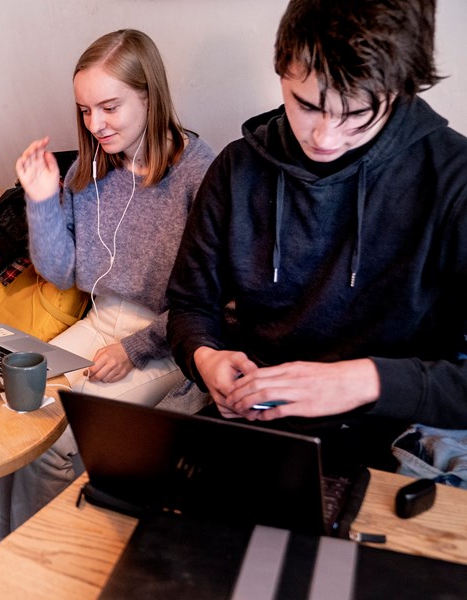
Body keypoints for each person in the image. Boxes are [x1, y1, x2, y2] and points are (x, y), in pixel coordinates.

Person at [167, 0, 467, 474]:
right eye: (307, 105)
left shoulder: (453, 178)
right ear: (282, 70)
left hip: (397, 435)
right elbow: (190, 304)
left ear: (399, 89)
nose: (325, 136)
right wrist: (206, 356)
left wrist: (366, 381)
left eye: (357, 113)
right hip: (263, 421)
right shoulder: (237, 168)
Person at [0, 29, 216, 549]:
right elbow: (62, 273)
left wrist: (134, 349)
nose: (95, 124)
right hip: (98, 320)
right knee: (11, 409)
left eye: (109, 107)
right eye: (85, 110)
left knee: (58, 440)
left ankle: (44, 561)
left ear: (150, 95)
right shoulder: (90, 169)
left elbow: (210, 300)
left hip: (169, 340)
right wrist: (42, 199)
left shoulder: (200, 173)